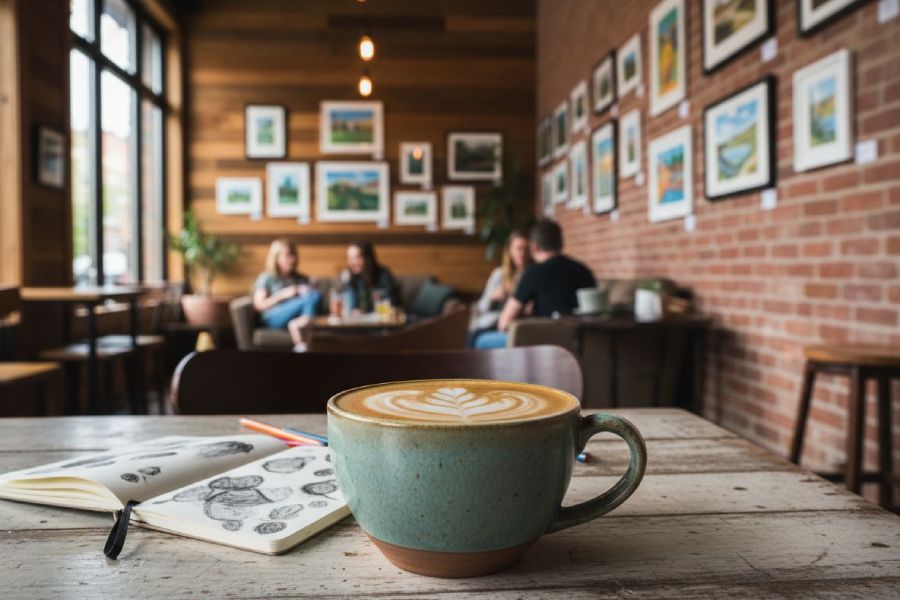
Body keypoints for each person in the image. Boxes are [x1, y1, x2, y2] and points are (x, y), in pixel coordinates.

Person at [473, 219, 595, 349]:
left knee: (480, 341)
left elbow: (503, 323)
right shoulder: (583, 270)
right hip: (580, 341)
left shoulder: (533, 273)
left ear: (534, 247)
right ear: (561, 243)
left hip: (542, 342)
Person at [253, 239, 321, 349]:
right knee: (311, 297)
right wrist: (283, 295)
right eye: (288, 255)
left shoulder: (300, 278)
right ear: (277, 258)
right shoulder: (266, 277)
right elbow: (259, 305)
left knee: (314, 295)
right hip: (273, 317)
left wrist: (311, 286)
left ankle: (301, 345)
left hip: (296, 317)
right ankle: (298, 328)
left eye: (294, 255)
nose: (293, 259)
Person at [468, 230, 532, 345]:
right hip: (494, 321)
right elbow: (482, 307)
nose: (522, 253)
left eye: (526, 249)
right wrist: (492, 297)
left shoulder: (532, 275)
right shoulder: (499, 274)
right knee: (474, 334)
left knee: (476, 336)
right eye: (519, 248)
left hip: (516, 323)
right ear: (509, 250)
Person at [340, 240, 400, 313]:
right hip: (360, 321)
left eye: (357, 257)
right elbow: (350, 306)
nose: (352, 262)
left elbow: (391, 303)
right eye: (350, 258)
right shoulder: (350, 277)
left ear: (368, 258)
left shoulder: (383, 275)